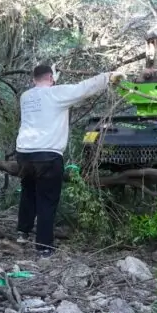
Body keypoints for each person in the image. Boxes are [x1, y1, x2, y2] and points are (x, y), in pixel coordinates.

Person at [14, 64, 125, 257]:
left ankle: (22, 232)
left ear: (34, 79)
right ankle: (44, 246)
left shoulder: (26, 97)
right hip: (47, 155)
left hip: (23, 153)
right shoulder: (56, 93)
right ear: (51, 77)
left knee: (28, 191)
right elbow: (84, 88)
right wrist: (109, 76)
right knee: (47, 200)